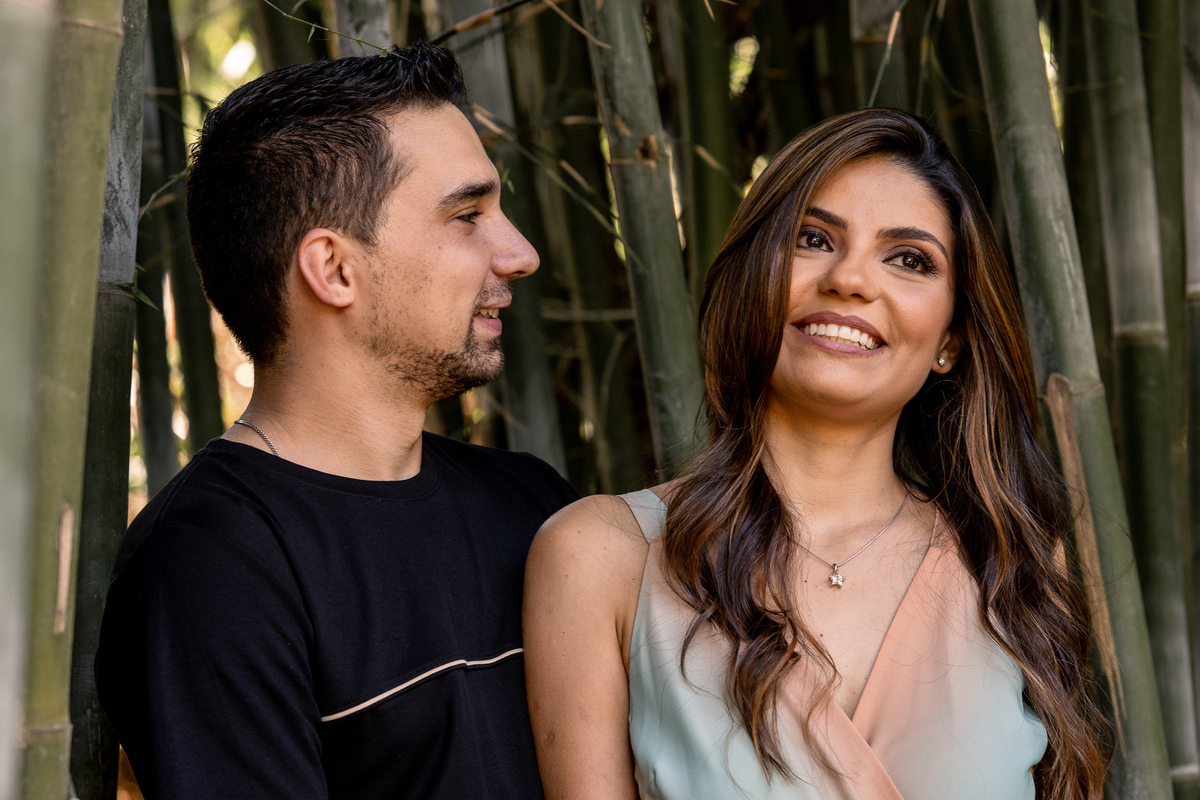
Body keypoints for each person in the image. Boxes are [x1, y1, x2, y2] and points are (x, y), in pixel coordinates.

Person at [524, 109, 1111, 800]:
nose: (850, 278)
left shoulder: (1010, 562)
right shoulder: (603, 557)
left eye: (909, 259)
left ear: (951, 341)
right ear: (754, 280)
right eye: (812, 239)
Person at [96, 42, 577, 800]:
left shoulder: (532, 504)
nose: (520, 254)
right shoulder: (212, 570)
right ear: (334, 269)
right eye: (467, 216)